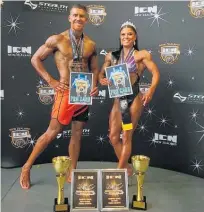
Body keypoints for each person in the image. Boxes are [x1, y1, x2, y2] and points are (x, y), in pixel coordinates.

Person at [20, 4, 99, 189]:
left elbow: (94, 68)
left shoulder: (91, 44)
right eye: (75, 15)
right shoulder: (57, 39)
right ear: (69, 18)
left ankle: (72, 170)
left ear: (86, 20)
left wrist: (94, 85)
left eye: (82, 16)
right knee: (52, 132)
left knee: (77, 134)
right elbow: (35, 58)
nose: (79, 18)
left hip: (82, 93)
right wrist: (51, 81)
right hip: (64, 92)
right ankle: (26, 166)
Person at [99, 21, 160, 176]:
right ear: (120, 37)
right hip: (118, 101)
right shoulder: (111, 56)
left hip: (133, 100)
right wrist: (102, 79)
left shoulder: (141, 55)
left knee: (126, 136)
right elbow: (101, 74)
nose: (126, 37)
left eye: (129, 34)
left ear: (135, 37)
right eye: (123, 34)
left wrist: (151, 90)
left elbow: (155, 73)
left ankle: (119, 173)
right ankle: (126, 167)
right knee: (113, 137)